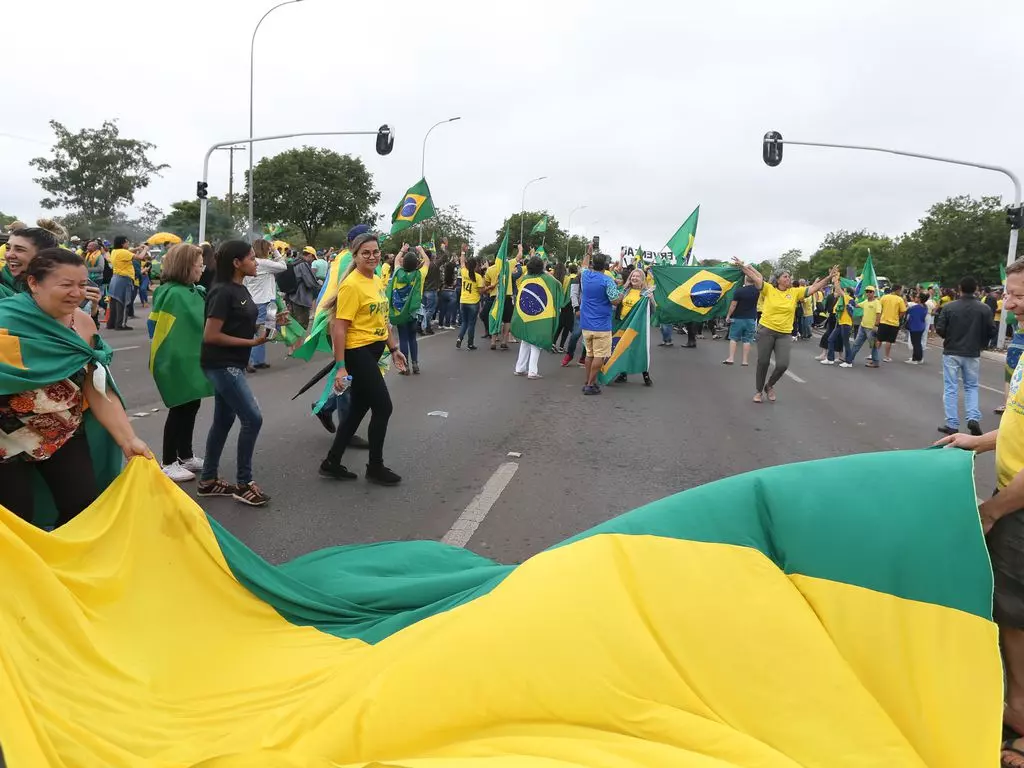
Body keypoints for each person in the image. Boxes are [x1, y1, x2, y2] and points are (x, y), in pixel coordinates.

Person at [933, 259, 1024, 768]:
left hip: (1019, 505)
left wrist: (991, 512)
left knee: (1014, 615)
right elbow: (1018, 425)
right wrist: (979, 441)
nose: (1005, 305)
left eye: (1016, 296)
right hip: (1014, 493)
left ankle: (1020, 721)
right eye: (1007, 294)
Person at [0, 248, 151, 526]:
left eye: (82, 285)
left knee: (83, 512)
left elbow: (97, 386)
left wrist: (128, 439)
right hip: (6, 442)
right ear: (34, 283)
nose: (77, 293)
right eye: (66, 285)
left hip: (64, 435)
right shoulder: (5, 321)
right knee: (15, 525)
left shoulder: (82, 324)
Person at [319, 232, 407, 485]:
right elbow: (339, 327)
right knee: (384, 407)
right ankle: (375, 467)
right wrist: (339, 367)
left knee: (358, 408)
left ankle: (332, 462)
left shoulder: (377, 280)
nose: (371, 256)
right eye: (365, 253)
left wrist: (393, 348)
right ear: (355, 256)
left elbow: (382, 319)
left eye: (375, 252)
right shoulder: (351, 285)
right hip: (357, 351)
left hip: (374, 349)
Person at [197, 240, 271, 506]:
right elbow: (211, 335)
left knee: (223, 420)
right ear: (236, 263)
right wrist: (251, 344)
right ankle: (244, 483)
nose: (256, 262)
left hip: (233, 363)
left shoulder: (240, 288)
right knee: (253, 418)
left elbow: (239, 323)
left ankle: (208, 480)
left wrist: (265, 327)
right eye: (251, 258)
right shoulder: (222, 292)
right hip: (222, 364)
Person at [732, 258, 837, 403]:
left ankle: (769, 385)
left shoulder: (795, 292)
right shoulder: (768, 289)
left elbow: (814, 287)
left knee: (783, 364)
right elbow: (755, 277)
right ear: (778, 280)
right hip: (766, 331)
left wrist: (829, 277)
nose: (789, 279)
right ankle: (758, 391)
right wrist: (742, 266)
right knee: (763, 362)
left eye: (789, 276)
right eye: (785, 276)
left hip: (784, 334)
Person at [149, 243, 212, 482]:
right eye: (199, 265)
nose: (202, 269)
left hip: (187, 357)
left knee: (191, 406)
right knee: (180, 408)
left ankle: (185, 454)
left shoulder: (185, 290)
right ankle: (168, 461)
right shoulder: (175, 293)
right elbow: (194, 324)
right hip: (176, 359)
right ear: (186, 266)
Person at [935, 276, 992, 436]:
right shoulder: (984, 309)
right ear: (976, 289)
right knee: (972, 386)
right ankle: (973, 418)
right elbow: (991, 330)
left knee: (951, 387)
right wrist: (981, 344)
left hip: (952, 351)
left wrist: (950, 337)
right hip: (973, 352)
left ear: (959, 289)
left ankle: (952, 424)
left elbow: (940, 328)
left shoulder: (949, 307)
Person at [580, 244, 622, 395]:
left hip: (586, 323)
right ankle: (590, 384)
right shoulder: (607, 280)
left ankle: (588, 381)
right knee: (599, 355)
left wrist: (588, 252)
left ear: (592, 264)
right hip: (602, 324)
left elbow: (584, 265)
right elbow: (615, 300)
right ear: (605, 266)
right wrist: (622, 293)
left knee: (589, 354)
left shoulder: (585, 275)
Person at [243, 239, 286, 372]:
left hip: (252, 300)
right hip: (265, 301)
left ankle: (255, 359)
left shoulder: (249, 263)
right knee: (264, 331)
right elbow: (283, 266)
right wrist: (275, 251)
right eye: (268, 249)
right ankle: (255, 360)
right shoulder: (264, 263)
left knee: (257, 330)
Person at [388, 243, 429, 375]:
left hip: (400, 312)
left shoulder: (398, 272)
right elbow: (427, 261)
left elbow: (395, 261)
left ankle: (405, 367)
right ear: (416, 264)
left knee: (403, 338)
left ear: (403, 263)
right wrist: (421, 250)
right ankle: (415, 364)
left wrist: (402, 250)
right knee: (412, 338)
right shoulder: (419, 275)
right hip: (413, 312)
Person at [611, 266, 654, 386]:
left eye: (637, 276)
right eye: (633, 276)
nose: (634, 278)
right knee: (622, 348)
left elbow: (654, 310)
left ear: (642, 279)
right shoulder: (624, 290)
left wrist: (651, 300)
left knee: (638, 350)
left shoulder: (646, 293)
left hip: (637, 327)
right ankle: (623, 374)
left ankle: (645, 374)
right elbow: (615, 304)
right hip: (623, 324)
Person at [106, 236, 144, 331]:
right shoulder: (123, 252)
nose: (128, 244)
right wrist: (145, 249)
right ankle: (121, 324)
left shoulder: (115, 251)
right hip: (124, 279)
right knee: (123, 302)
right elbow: (140, 257)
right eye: (127, 242)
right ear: (123, 243)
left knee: (114, 303)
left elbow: (129, 251)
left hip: (115, 278)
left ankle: (111, 323)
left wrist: (138, 248)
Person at [723, 274, 759, 366]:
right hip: (751, 318)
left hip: (738, 318)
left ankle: (731, 358)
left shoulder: (739, 291)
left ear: (745, 280)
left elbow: (733, 305)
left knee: (733, 338)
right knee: (747, 340)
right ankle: (745, 361)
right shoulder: (757, 291)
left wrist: (728, 315)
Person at [822, 278, 857, 367]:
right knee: (830, 339)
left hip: (845, 324)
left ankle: (849, 362)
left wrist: (835, 280)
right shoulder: (842, 299)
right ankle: (830, 359)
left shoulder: (848, 298)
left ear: (848, 293)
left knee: (846, 343)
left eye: (844, 291)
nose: (842, 292)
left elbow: (838, 289)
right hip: (840, 323)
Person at [847, 286, 882, 368]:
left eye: (870, 292)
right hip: (862, 327)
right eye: (867, 291)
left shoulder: (877, 303)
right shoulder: (865, 301)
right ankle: (849, 360)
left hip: (871, 328)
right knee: (856, 344)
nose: (868, 293)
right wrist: (850, 300)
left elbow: (878, 314)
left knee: (873, 346)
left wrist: (876, 325)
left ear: (874, 293)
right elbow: (856, 305)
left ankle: (875, 362)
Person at [456, 245, 482, 350]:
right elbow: (481, 291)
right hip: (473, 302)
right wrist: (489, 287)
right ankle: (470, 343)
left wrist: (462, 251)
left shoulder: (464, 272)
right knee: (471, 323)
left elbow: (461, 262)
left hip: (463, 301)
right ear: (475, 266)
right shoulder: (478, 277)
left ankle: (459, 338)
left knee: (464, 322)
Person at [290, 246, 319, 331]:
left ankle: (295, 344)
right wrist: (319, 286)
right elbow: (309, 282)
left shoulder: (295, 262)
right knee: (301, 327)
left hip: (293, 297)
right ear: (310, 255)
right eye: (313, 258)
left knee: (295, 326)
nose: (313, 261)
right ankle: (300, 344)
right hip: (301, 299)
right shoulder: (303, 264)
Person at [877, 284, 907, 362]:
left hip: (883, 321)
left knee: (879, 339)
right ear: (897, 290)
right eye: (900, 290)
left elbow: (879, 308)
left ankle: (874, 354)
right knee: (889, 341)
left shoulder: (884, 297)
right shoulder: (899, 299)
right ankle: (886, 357)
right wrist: (898, 317)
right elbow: (903, 311)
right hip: (894, 323)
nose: (900, 292)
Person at [904, 292, 929, 365]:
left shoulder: (916, 307)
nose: (915, 298)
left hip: (915, 327)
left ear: (920, 299)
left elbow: (907, 310)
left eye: (917, 297)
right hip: (921, 326)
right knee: (918, 343)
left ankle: (915, 359)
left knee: (915, 343)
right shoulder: (924, 306)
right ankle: (919, 358)